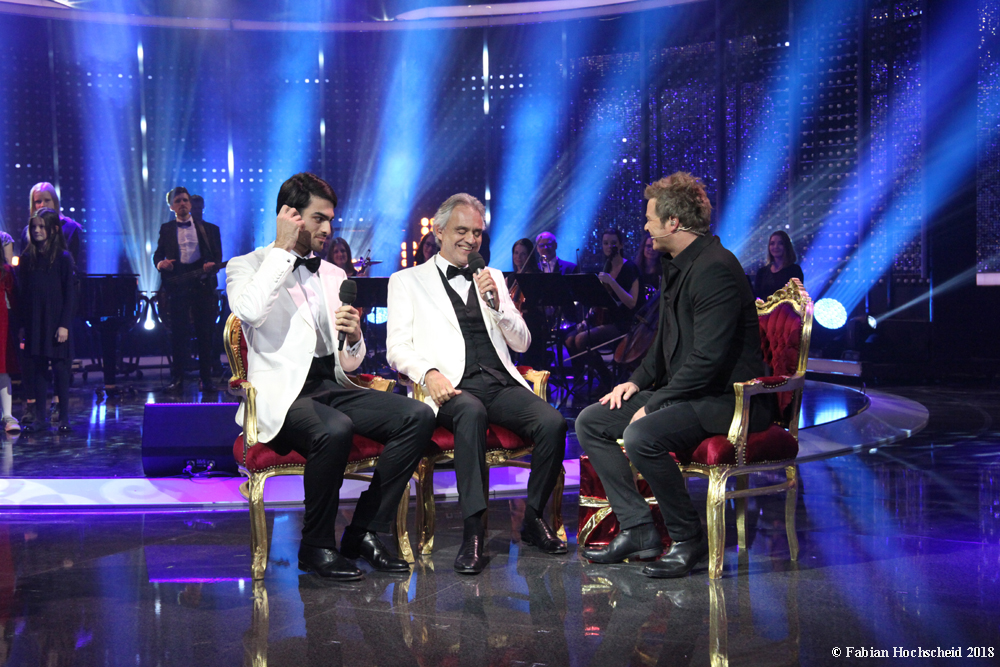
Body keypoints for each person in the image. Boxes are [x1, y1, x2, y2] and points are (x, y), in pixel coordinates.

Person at [227, 172, 434, 581]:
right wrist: (283, 249)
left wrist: (354, 338)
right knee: (334, 428)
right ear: (290, 216)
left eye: (330, 220)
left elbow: (349, 364)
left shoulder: (334, 274)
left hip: (331, 386)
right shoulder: (246, 265)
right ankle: (316, 545)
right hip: (283, 396)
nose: (327, 229)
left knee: (418, 415)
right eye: (318, 219)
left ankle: (364, 531)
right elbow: (248, 312)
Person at [575, 172, 772, 578]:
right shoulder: (677, 265)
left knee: (641, 434)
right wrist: (635, 383)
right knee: (591, 421)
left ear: (673, 222)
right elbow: (664, 343)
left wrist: (656, 404)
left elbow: (708, 360)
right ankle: (638, 529)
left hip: (726, 399)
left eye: (650, 219)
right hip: (689, 392)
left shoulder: (716, 268)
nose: (646, 227)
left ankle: (688, 537)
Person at [386, 193, 568, 575]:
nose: (471, 240)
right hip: (452, 387)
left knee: (552, 423)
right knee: (470, 412)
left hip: (500, 382)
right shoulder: (407, 281)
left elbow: (523, 343)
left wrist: (498, 305)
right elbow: (397, 348)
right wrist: (428, 373)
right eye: (462, 231)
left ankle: (533, 518)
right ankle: (474, 533)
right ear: (438, 232)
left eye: (478, 233)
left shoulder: (494, 278)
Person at [153, 187, 222, 393]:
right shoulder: (166, 229)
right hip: (178, 284)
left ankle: (206, 379)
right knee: (178, 334)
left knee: (205, 333)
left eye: (185, 200)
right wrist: (161, 264)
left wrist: (211, 265)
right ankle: (178, 379)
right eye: (178, 201)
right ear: (171, 207)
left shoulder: (209, 229)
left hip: (202, 284)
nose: (182, 204)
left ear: (190, 204)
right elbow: (158, 255)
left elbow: (217, 256)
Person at [16, 209, 76, 433]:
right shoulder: (27, 259)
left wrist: (64, 324)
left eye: (41, 227)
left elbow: (69, 294)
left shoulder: (63, 258)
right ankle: (40, 418)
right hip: (35, 321)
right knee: (39, 370)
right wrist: (23, 325)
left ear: (53, 229)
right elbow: (23, 294)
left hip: (56, 321)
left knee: (60, 370)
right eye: (34, 227)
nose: (37, 230)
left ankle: (64, 417)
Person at [564, 229, 640, 391]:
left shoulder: (630, 267)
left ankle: (606, 378)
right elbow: (597, 301)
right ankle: (584, 377)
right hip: (602, 319)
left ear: (621, 245)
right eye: (605, 243)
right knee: (569, 339)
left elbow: (632, 302)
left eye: (613, 243)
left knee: (581, 340)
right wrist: (586, 320)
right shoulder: (605, 268)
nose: (609, 246)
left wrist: (612, 282)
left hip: (622, 322)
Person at [21, 182, 83, 264]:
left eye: (47, 200)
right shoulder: (28, 231)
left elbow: (75, 262)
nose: (43, 205)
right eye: (38, 201)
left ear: (55, 201)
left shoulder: (70, 227)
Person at [753, 230, 803, 300]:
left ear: (787, 246)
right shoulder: (762, 272)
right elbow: (756, 297)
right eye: (772, 243)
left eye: (780, 243)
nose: (776, 246)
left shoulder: (795, 270)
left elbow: (797, 297)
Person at [0, 230, 17, 432]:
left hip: (1, 322)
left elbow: (13, 299)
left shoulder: (5, 271)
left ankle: (7, 415)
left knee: (2, 367)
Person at [633, 231, 662, 301]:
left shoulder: (664, 271)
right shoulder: (635, 269)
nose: (652, 249)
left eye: (654, 246)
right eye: (649, 246)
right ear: (643, 248)